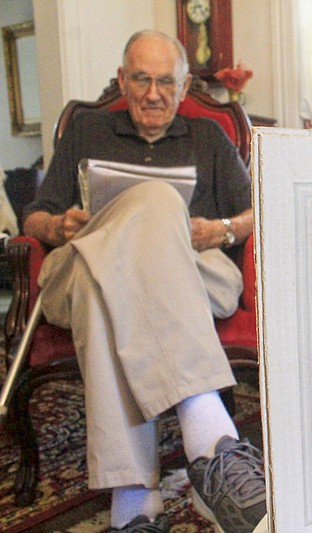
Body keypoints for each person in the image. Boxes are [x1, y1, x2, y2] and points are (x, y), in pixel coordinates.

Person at [22, 30, 265, 532]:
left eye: (164, 82)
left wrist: (221, 229)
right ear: (121, 80)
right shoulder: (87, 130)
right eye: (141, 79)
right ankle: (211, 439)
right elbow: (34, 219)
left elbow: (257, 211)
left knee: (111, 272)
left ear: (181, 88)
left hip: (194, 273)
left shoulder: (209, 139)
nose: (152, 93)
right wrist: (58, 224)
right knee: (122, 241)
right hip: (78, 268)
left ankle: (133, 502)